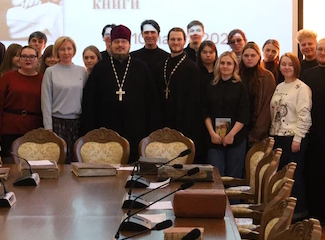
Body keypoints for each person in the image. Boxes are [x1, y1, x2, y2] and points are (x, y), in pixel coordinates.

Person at [82, 25, 159, 160]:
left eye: (124, 42)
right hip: (105, 130)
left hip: (136, 129)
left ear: (129, 44)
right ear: (111, 44)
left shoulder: (140, 67)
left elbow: (151, 101)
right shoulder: (100, 68)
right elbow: (89, 102)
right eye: (116, 42)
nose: (120, 45)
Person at [300, 37, 325, 222]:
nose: (322, 52)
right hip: (312, 131)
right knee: (313, 173)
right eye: (320, 49)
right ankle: (314, 213)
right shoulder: (307, 74)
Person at [270, 53, 312, 218]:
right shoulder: (279, 86)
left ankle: (298, 214)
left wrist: (298, 138)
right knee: (281, 177)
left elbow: (304, 115)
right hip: (278, 136)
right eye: (283, 64)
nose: (286, 67)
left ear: (296, 67)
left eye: (290, 64)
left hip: (294, 138)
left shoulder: (301, 88)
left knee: (294, 177)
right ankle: (283, 213)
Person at [0, 45, 44, 161]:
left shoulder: (43, 79)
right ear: (19, 59)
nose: (28, 59)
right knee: (10, 165)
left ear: (37, 59)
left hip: (34, 130)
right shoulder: (8, 77)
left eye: (32, 57)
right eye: (24, 56)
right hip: (9, 130)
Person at [156, 28, 203, 160]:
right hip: (163, 122)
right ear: (167, 41)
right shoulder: (161, 66)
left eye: (179, 39)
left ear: (184, 41)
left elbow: (194, 101)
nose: (176, 42)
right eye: (173, 39)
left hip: (183, 123)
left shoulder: (192, 68)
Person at [203, 51, 250, 178]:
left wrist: (231, 135)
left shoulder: (241, 87)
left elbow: (244, 115)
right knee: (215, 177)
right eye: (222, 63)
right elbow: (205, 112)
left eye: (229, 63)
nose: (225, 66)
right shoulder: (211, 86)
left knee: (233, 178)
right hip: (214, 139)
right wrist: (212, 133)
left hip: (236, 139)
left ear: (234, 66)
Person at [41, 37, 87, 162]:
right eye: (62, 49)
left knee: (75, 160)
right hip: (57, 122)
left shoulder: (82, 71)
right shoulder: (50, 72)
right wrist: (48, 127)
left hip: (77, 122)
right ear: (57, 51)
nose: (66, 52)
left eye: (69, 49)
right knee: (58, 159)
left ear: (74, 50)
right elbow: (46, 101)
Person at [240, 42, 276, 143]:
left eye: (253, 55)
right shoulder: (236, 75)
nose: (249, 58)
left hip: (258, 132)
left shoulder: (267, 76)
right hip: (238, 130)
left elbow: (268, 105)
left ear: (259, 56)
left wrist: (257, 131)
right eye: (246, 55)